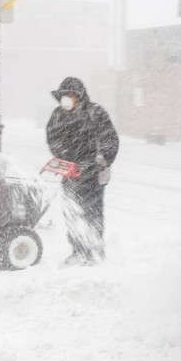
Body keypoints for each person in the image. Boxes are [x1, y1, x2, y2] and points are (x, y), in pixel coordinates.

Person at [46, 77, 119, 265]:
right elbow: (53, 140)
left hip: (94, 174)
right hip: (71, 173)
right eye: (62, 96)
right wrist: (65, 158)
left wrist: (101, 159)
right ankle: (78, 250)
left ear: (78, 96)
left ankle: (94, 252)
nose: (66, 99)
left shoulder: (96, 113)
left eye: (69, 95)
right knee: (72, 212)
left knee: (92, 212)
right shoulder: (57, 116)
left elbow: (110, 139)